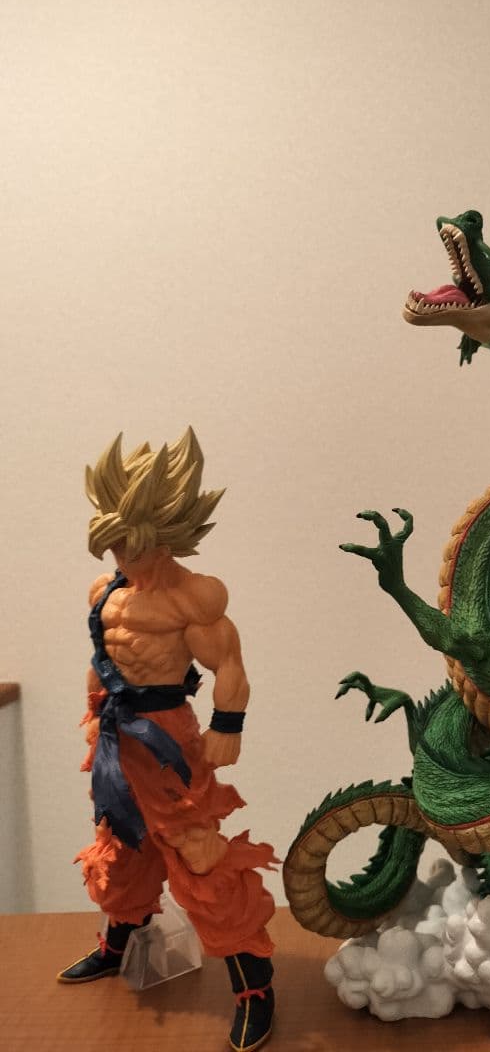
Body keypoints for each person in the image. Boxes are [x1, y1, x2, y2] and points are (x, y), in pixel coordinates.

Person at [58, 428, 277, 1052]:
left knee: (198, 852)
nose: (117, 552)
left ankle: (254, 987)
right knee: (118, 843)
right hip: (115, 738)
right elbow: (100, 660)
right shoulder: (106, 592)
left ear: (162, 531)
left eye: (128, 540)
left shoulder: (193, 597)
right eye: (111, 540)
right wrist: (94, 715)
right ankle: (116, 944)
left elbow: (228, 664)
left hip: (169, 738)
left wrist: (227, 726)